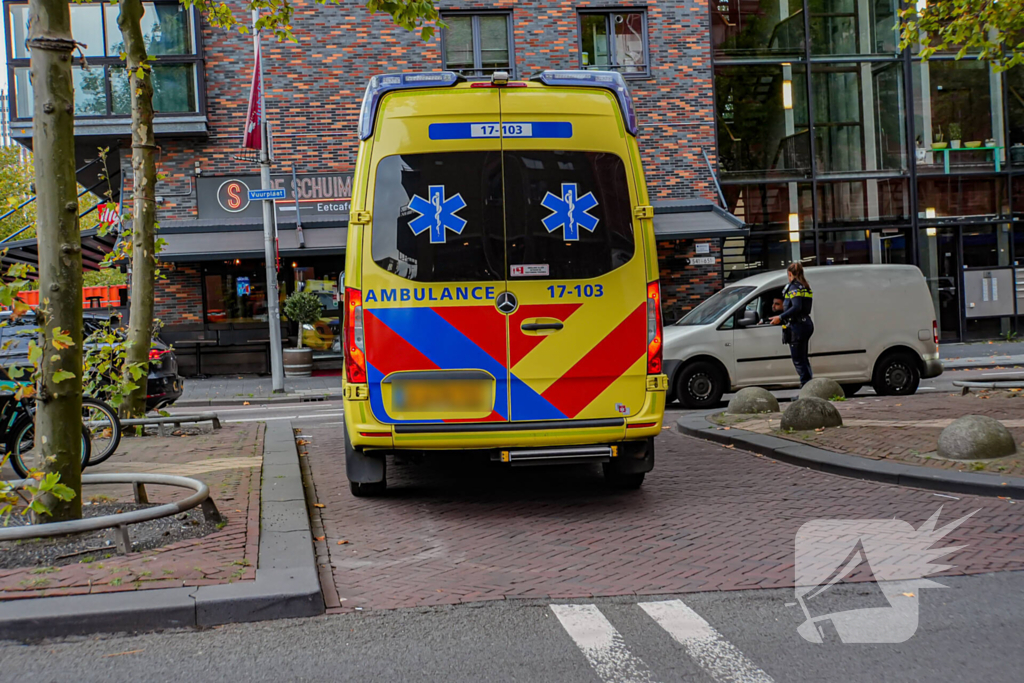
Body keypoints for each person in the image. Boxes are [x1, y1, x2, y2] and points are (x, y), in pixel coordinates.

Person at [770, 263, 814, 386]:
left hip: (798, 326)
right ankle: (808, 387)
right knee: (803, 359)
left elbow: (796, 306)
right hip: (805, 323)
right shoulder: (805, 286)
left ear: (790, 274)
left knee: (798, 360)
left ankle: (806, 387)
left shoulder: (794, 287)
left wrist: (780, 317)